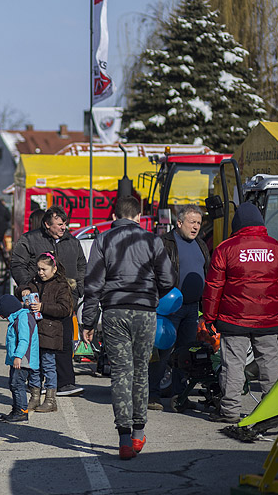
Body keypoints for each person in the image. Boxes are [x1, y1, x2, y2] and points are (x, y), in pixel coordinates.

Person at [81, 196, 174, 460]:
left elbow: (93, 285)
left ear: (114, 216)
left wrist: (88, 322)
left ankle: (123, 438)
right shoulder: (152, 240)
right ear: (138, 216)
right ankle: (137, 434)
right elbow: (168, 279)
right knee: (141, 370)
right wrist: (151, 290)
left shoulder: (103, 240)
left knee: (121, 372)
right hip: (145, 312)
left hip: (114, 311)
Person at [202, 202, 278, 423]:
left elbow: (214, 287)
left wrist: (209, 318)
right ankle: (272, 410)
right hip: (268, 321)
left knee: (233, 365)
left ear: (237, 224)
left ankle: (230, 411)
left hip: (233, 320)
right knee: (269, 365)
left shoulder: (225, 249)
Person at [11, 205, 87, 397]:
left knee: (64, 341)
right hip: (38, 301)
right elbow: (17, 264)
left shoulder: (72, 241)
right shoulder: (30, 240)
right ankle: (38, 382)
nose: (64, 227)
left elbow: (82, 266)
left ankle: (65, 383)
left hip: (65, 301)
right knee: (40, 343)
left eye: (65, 224)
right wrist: (27, 287)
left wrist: (78, 290)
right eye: (60, 224)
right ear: (47, 224)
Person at [148, 204, 210, 410]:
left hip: (192, 308)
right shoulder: (164, 243)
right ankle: (153, 395)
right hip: (169, 307)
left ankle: (179, 395)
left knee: (186, 353)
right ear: (179, 222)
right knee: (163, 351)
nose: (196, 227)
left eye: (199, 223)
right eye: (192, 222)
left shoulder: (201, 244)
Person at [23, 252, 74, 413]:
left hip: (51, 333)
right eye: (38, 269)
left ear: (54, 269)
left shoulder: (61, 286)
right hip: (34, 332)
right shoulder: (35, 282)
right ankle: (35, 397)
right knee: (34, 367)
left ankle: (51, 400)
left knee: (49, 366)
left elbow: (65, 309)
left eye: (44, 269)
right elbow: (22, 289)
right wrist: (23, 290)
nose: (41, 272)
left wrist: (43, 307)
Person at [0, 294, 39, 423]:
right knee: (13, 384)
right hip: (19, 359)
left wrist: (18, 356)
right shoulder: (19, 318)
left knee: (17, 384)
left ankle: (21, 411)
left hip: (23, 360)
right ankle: (17, 409)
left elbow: (24, 339)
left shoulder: (22, 318)